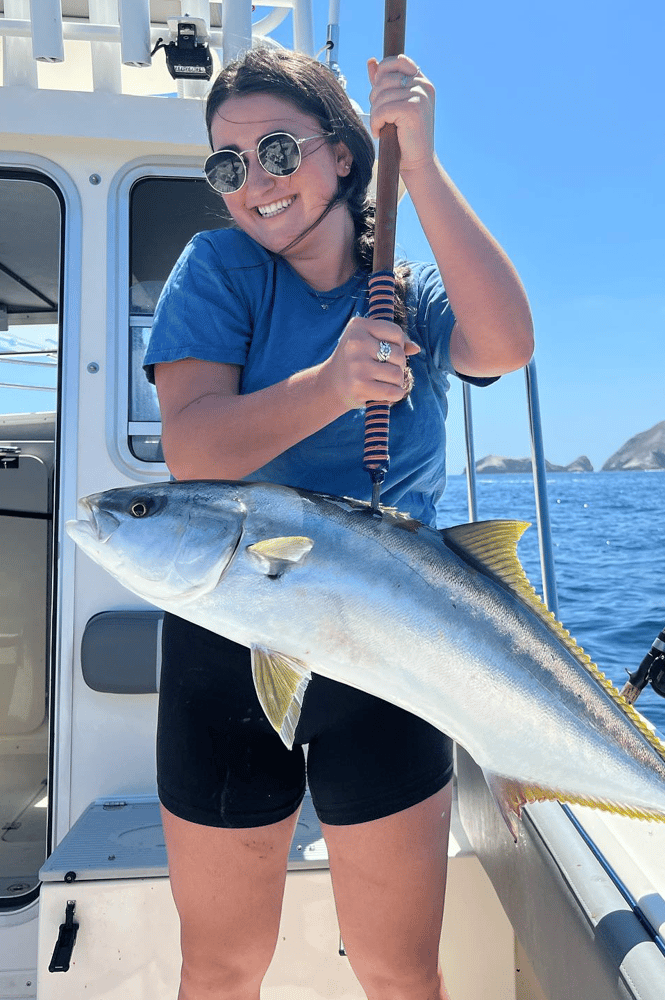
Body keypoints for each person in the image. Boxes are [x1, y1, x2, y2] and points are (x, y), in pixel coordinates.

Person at [143, 43, 533, 1000]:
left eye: (279, 151)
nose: (254, 185)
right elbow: (193, 450)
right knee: (223, 964)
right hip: (227, 636)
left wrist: (425, 163)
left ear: (345, 155)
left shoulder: (406, 284)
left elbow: (507, 344)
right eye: (228, 167)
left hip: (394, 643)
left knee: (401, 970)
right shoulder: (219, 267)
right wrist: (331, 385)